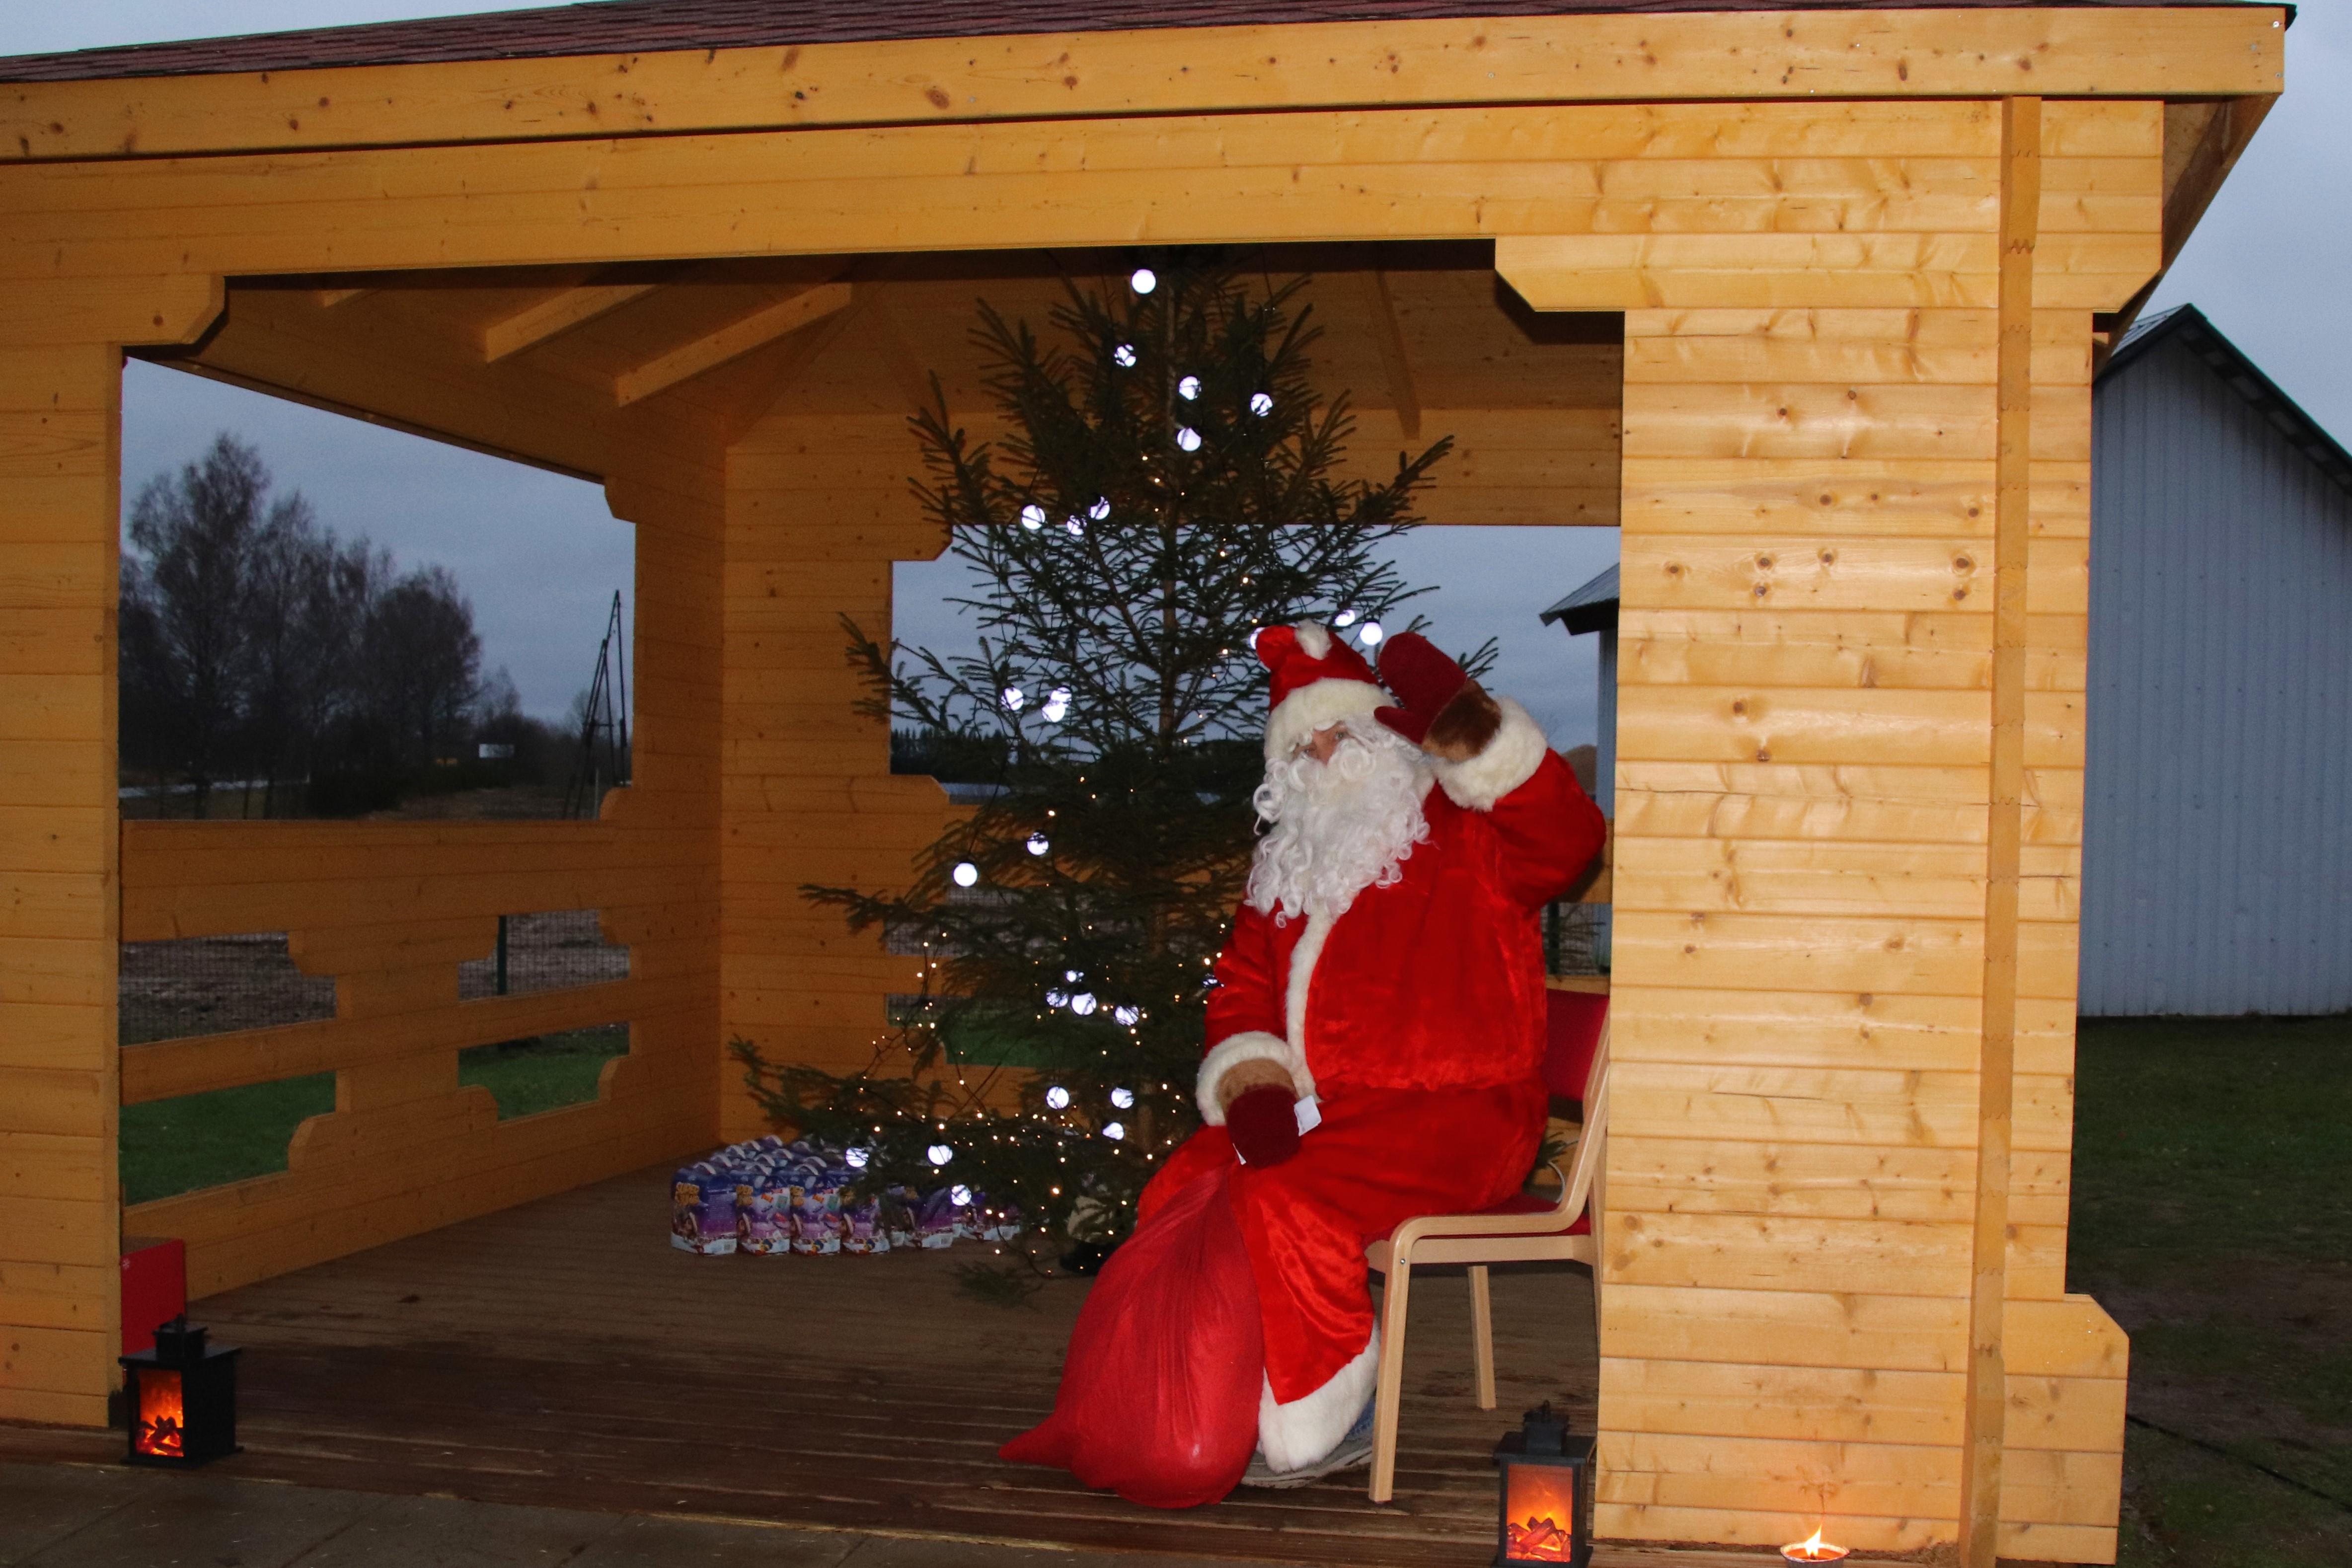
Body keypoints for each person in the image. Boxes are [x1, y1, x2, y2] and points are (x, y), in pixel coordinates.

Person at [1002, 623, 1606, 1503]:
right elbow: (1243, 988)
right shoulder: (1287, 863)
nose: (1324, 754)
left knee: (1290, 1197)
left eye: (1341, 731)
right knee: (1187, 1177)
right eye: (1302, 743)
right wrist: (1254, 1080)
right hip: (1335, 1111)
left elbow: (1567, 839)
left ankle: (1330, 1410)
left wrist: (1475, 732)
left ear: (1385, 732)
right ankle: (1203, 1396)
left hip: (1463, 1114)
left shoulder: (1465, 829)